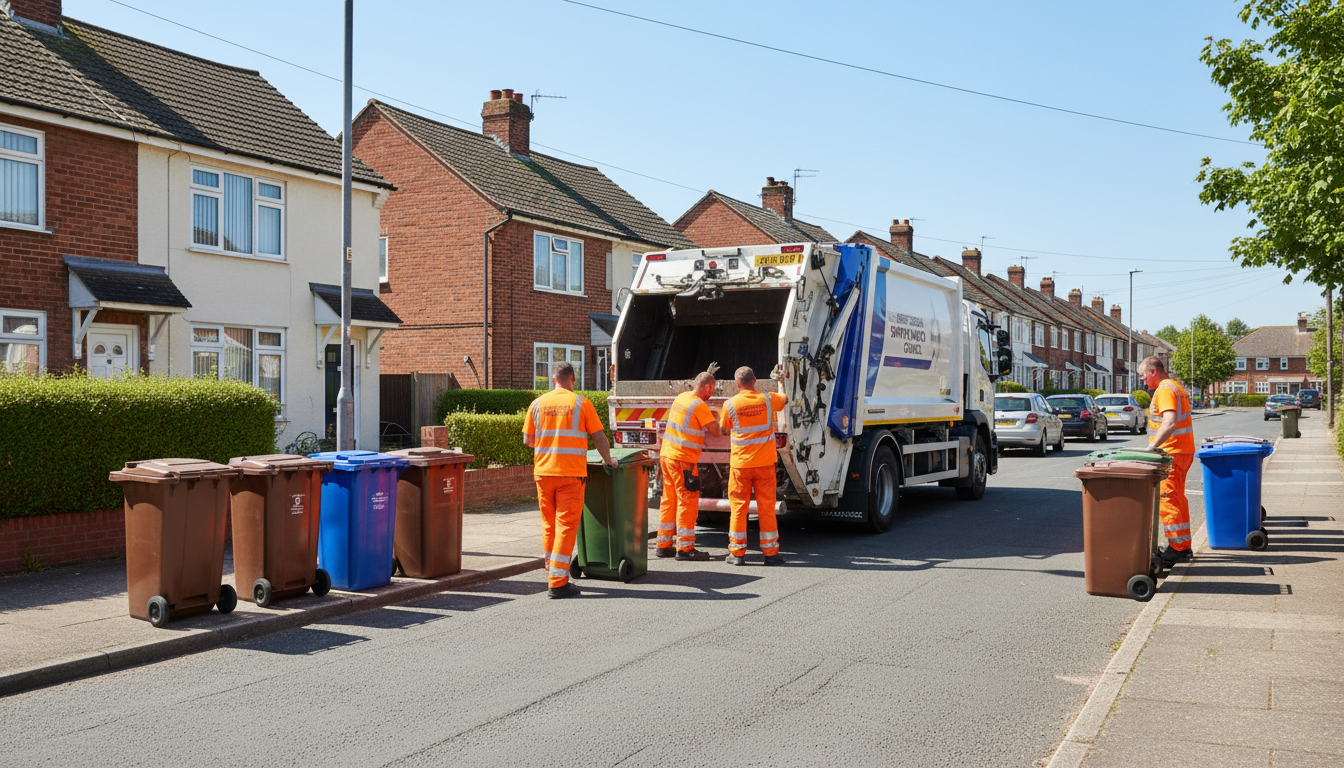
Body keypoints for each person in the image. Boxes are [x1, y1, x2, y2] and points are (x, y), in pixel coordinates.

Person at [522, 361, 618, 599]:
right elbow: (598, 437)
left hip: (544, 473)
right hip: (570, 475)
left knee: (549, 524)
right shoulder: (581, 403)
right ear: (572, 379)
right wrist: (609, 460)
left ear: (553, 379)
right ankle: (557, 582)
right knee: (566, 525)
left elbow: (529, 441)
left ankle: (552, 571)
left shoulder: (536, 404)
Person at [719, 366, 788, 566]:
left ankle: (737, 553)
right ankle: (770, 553)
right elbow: (783, 399)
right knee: (766, 507)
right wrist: (781, 380)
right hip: (765, 464)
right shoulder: (767, 399)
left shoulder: (730, 404)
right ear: (755, 380)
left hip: (741, 465)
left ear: (737, 384)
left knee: (739, 507)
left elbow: (725, 429)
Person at [656, 371, 723, 561]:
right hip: (683, 460)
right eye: (713, 389)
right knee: (687, 500)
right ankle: (685, 548)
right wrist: (721, 417)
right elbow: (716, 432)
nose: (713, 393)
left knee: (669, 500)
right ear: (708, 387)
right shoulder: (699, 405)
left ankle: (663, 544)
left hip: (667, 456)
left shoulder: (681, 397)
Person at [1139, 355, 1196, 567]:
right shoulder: (1176, 387)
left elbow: (1170, 422)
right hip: (1181, 451)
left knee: (1168, 499)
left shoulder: (1164, 389)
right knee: (1177, 498)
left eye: (1143, 375)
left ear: (1154, 371)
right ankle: (1182, 545)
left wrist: (1152, 447)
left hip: (1171, 452)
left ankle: (1178, 549)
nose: (1143, 380)